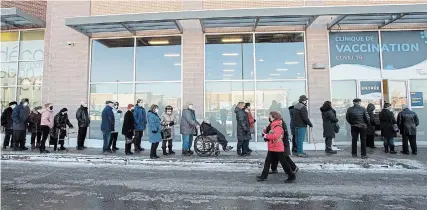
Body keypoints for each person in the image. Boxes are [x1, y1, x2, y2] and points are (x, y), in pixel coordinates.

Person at [257, 111, 296, 183]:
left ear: (274, 117)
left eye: (271, 116)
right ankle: (263, 176)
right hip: (273, 147)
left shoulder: (277, 125)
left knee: (284, 162)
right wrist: (265, 131)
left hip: (277, 147)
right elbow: (272, 133)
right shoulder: (273, 125)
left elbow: (275, 136)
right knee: (267, 162)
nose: (269, 117)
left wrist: (266, 135)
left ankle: (291, 176)